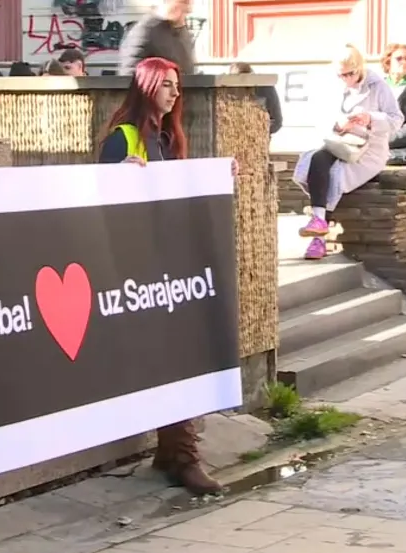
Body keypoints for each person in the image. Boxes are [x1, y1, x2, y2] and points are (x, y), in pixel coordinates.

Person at [97, 56, 237, 495]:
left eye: (178, 86)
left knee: (180, 360)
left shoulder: (166, 137)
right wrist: (119, 179)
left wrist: (218, 177)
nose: (176, 93)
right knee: (177, 360)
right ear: (147, 87)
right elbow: (98, 204)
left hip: (168, 267)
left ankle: (173, 451)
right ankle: (181, 457)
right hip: (138, 273)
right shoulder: (123, 139)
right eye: (168, 86)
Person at [292, 44, 403, 260]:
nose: (347, 79)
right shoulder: (334, 84)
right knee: (316, 159)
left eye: (351, 73)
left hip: (370, 147)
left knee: (336, 175)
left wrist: (370, 119)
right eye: (342, 75)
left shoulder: (378, 86)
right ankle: (319, 224)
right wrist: (338, 123)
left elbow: (396, 119)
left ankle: (319, 239)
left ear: (360, 68)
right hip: (341, 140)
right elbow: (319, 115)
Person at [117, 0, 195, 76]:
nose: (186, 11)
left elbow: (187, 69)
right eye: (182, 2)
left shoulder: (182, 32)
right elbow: (130, 71)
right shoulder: (146, 29)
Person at [230, 62, 283, 134]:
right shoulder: (227, 93)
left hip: (258, 140)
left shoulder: (266, 88)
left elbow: (277, 121)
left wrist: (257, 132)